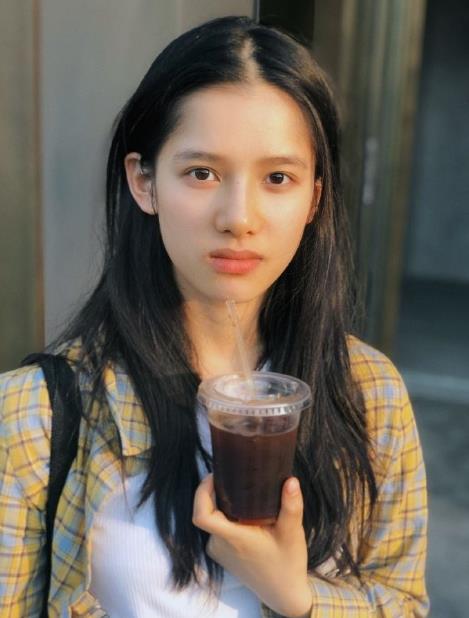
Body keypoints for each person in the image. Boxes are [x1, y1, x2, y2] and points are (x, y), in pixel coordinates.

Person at [0, 15, 428, 618]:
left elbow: (403, 602)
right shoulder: (37, 417)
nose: (238, 217)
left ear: (314, 198)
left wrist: (296, 596)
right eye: (202, 173)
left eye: (278, 177)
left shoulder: (370, 393)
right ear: (144, 182)